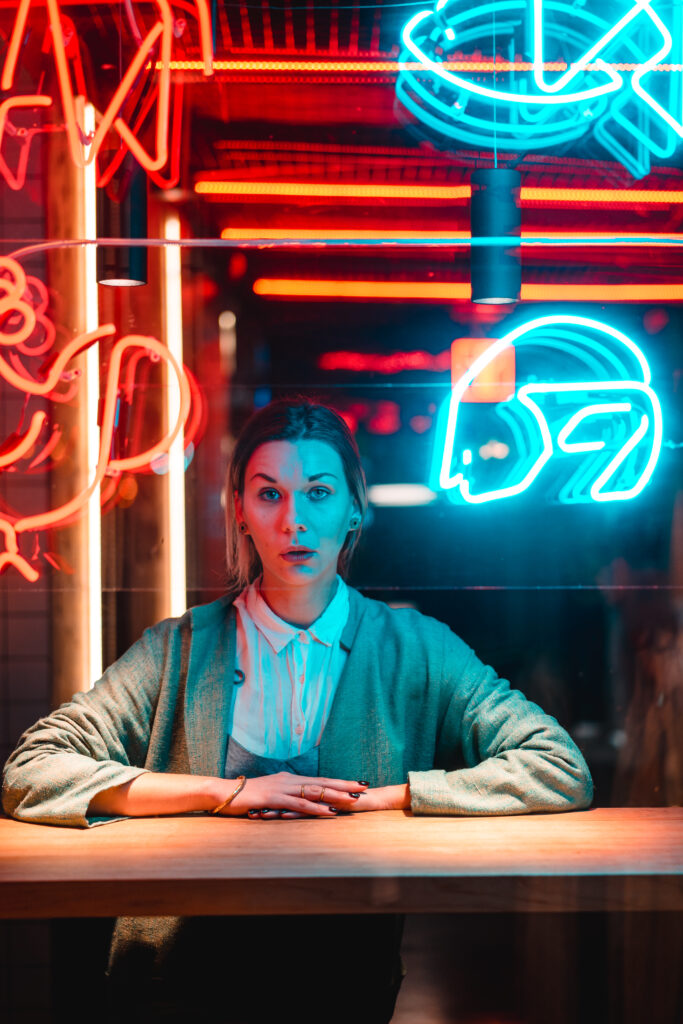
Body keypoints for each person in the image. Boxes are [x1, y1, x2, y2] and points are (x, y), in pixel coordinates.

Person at [2, 398, 594, 1024]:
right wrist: (225, 793)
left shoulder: (417, 648)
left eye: (317, 492)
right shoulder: (176, 650)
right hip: (170, 985)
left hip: (341, 987)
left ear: (353, 509)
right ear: (241, 513)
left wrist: (389, 797)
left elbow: (557, 767)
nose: (293, 521)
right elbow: (31, 769)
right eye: (269, 495)